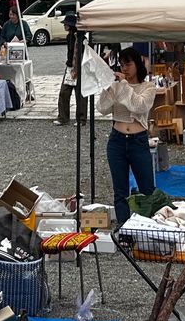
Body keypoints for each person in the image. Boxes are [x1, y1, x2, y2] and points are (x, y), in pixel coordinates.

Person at [100, 47, 158, 224]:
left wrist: (124, 84)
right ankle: (124, 228)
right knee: (120, 190)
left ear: (137, 64)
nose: (124, 68)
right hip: (117, 139)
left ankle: (149, 225)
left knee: (147, 187)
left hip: (138, 141)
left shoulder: (148, 87)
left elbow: (138, 106)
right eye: (122, 64)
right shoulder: (118, 86)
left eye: (128, 64)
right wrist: (110, 88)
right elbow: (102, 108)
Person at [54, 12, 87, 126]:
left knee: (80, 94)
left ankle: (81, 119)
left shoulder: (81, 37)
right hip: (70, 66)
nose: (64, 26)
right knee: (64, 92)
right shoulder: (69, 37)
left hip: (80, 66)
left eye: (66, 24)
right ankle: (63, 117)